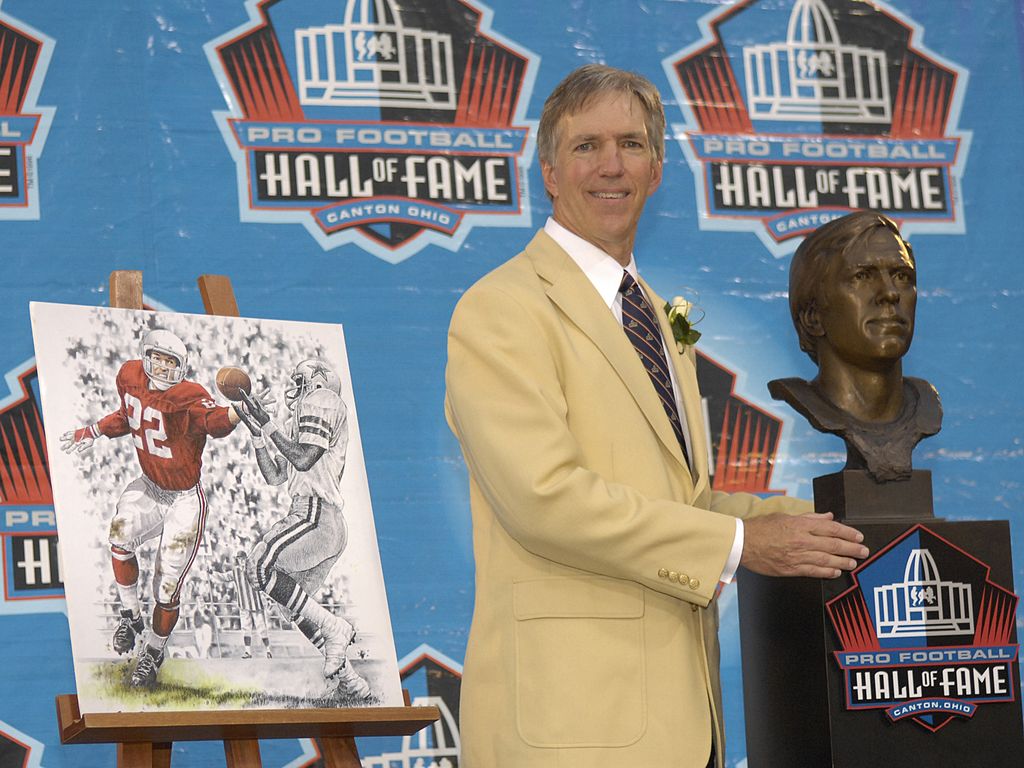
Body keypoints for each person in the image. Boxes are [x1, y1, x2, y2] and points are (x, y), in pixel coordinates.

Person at [444, 64, 869, 768]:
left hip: (679, 725)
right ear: (549, 172)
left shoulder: (656, 316)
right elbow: (545, 499)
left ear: (657, 169)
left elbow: (681, 504)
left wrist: (838, 522)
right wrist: (742, 544)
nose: (611, 166)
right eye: (586, 146)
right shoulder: (501, 309)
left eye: (632, 145)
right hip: (569, 730)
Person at [61, 328, 247, 687]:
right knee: (119, 534)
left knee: (166, 587)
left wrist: (236, 414)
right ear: (144, 356)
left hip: (183, 499)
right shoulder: (130, 375)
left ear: (182, 366)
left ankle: (154, 651)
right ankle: (131, 616)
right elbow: (127, 416)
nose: (162, 367)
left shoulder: (190, 395)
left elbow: (213, 422)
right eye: (156, 358)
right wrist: (95, 431)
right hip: (149, 485)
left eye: (170, 361)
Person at [768, 210, 942, 482]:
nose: (890, 293)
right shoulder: (806, 399)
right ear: (813, 317)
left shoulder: (925, 404)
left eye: (901, 276)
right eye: (862, 277)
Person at [234, 358, 371, 699]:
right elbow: (275, 476)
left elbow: (303, 459)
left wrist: (268, 424)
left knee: (259, 566)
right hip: (321, 519)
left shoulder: (323, 400)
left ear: (318, 381)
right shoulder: (301, 417)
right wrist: (259, 437)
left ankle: (335, 628)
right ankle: (350, 681)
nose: (293, 385)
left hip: (316, 514)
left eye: (299, 379)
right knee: (292, 604)